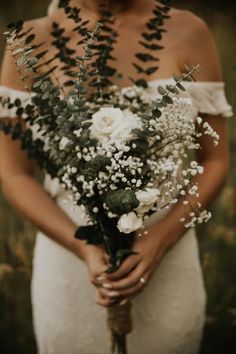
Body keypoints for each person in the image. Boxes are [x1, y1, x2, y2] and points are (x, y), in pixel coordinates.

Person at [0, 0, 233, 353]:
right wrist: (84, 247)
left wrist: (159, 241)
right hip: (70, 255)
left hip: (167, 252)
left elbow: (214, 160)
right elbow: (14, 172)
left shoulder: (188, 30)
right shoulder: (31, 40)